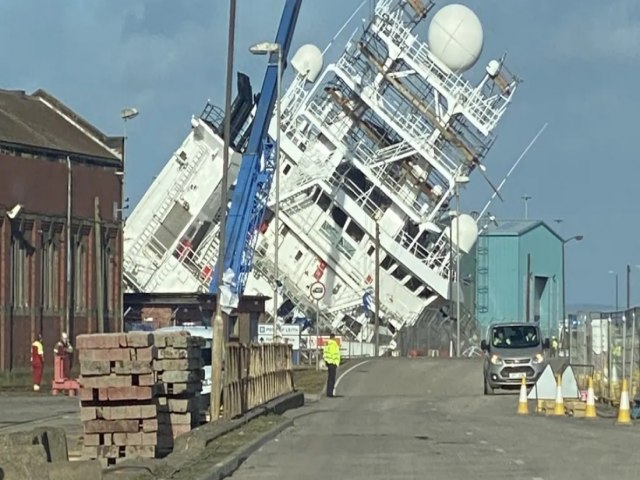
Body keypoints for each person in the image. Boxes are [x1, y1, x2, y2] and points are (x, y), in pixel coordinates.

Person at [322, 333, 341, 398]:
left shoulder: (327, 344)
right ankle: (330, 393)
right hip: (333, 363)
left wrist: (326, 361)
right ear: (334, 337)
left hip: (328, 363)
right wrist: (337, 363)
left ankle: (328, 392)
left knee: (329, 378)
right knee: (332, 379)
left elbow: (325, 353)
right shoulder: (335, 345)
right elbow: (337, 354)